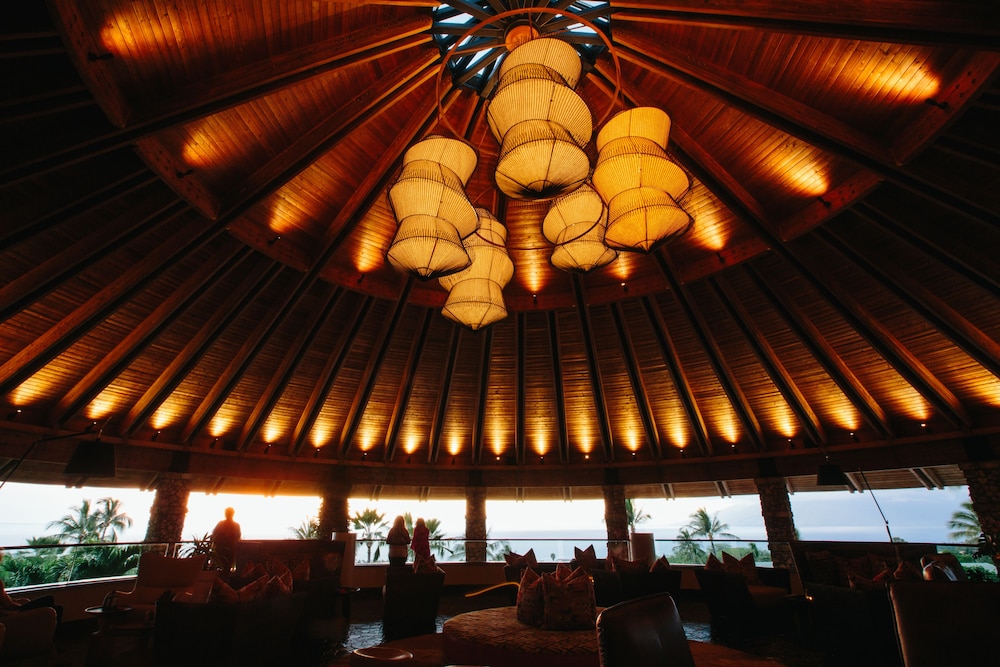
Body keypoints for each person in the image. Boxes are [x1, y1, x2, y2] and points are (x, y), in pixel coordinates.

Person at [211, 507, 242, 573]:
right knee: (225, 569)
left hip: (225, 551)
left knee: (222, 569)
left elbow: (214, 535)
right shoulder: (236, 526)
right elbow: (238, 537)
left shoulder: (221, 524)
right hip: (227, 551)